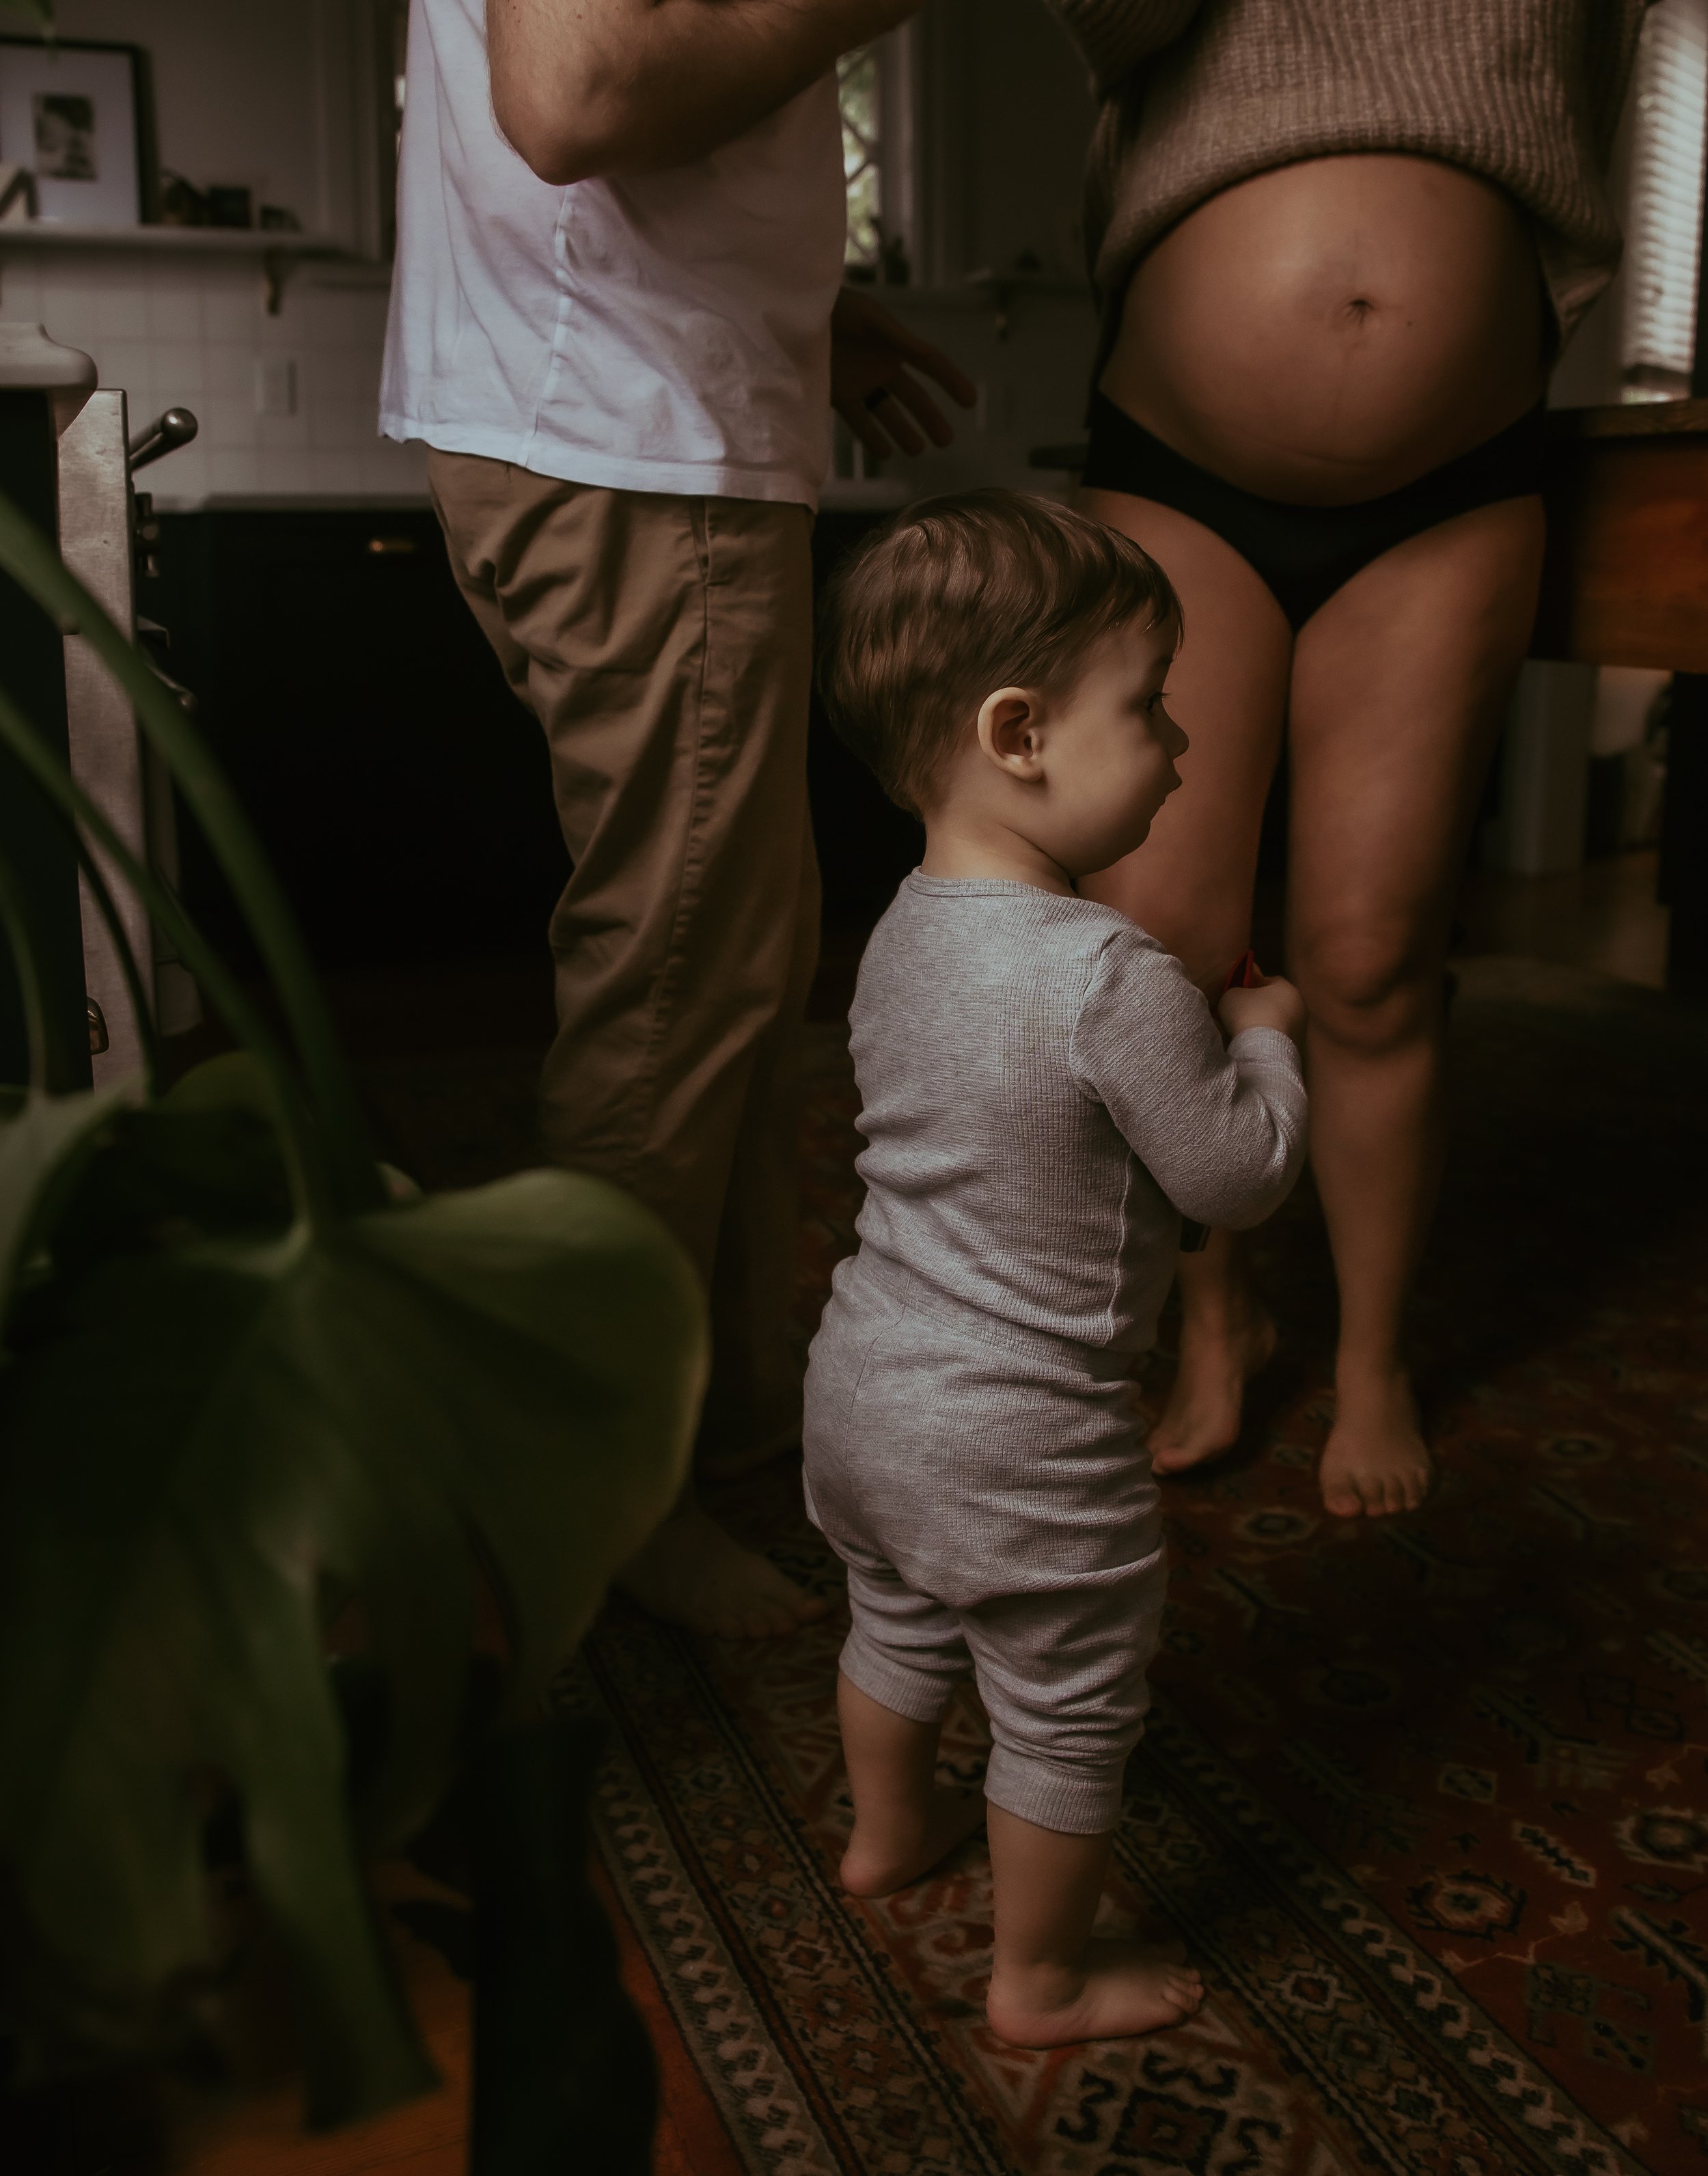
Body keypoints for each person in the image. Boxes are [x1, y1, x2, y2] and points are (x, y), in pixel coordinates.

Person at [380, 0, 975, 1636]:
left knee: (732, 959)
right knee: (677, 975)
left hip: (629, 413)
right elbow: (576, 92)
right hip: (629, 434)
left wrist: (798, 299)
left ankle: (725, 1422)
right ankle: (596, 1483)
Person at [1045, 1, 1650, 1516]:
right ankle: (1215, 1313)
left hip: (1453, 476)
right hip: (1178, 458)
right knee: (1161, 956)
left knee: (1373, 958)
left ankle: (1374, 1358)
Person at [804, 491, 1308, 2043]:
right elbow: (1235, 1175)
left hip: (864, 1386)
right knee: (1068, 1702)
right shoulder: (1111, 975)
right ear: (1017, 733)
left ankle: (886, 1837)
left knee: (894, 1620)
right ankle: (1039, 1979)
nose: (1180, 744)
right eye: (1147, 705)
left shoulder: (899, 930)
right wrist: (1264, 1043)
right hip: (1021, 1436)